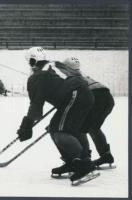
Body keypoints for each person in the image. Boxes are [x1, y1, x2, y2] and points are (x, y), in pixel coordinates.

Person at [16, 47, 97, 184]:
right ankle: (75, 162)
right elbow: (60, 86)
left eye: (29, 62)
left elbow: (36, 105)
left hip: (75, 95)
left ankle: (84, 165)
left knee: (59, 130)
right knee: (58, 128)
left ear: (32, 61)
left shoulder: (37, 76)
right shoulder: (52, 67)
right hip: (83, 94)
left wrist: (27, 125)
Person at [54, 57, 115, 169]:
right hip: (107, 98)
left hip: (96, 98)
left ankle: (84, 159)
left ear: (66, 68)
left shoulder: (71, 77)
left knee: (79, 127)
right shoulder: (80, 74)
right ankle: (106, 155)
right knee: (93, 127)